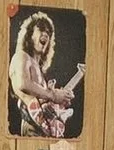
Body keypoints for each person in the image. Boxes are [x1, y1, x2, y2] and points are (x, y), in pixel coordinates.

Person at [8, 10, 84, 138]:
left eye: (49, 32)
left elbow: (42, 100)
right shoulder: (22, 56)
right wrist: (53, 95)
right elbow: (22, 83)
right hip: (32, 126)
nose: (46, 34)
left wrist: (61, 98)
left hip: (44, 128)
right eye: (41, 29)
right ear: (29, 34)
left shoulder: (36, 66)